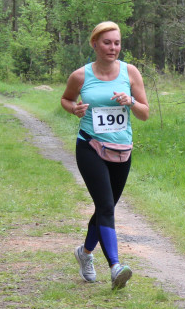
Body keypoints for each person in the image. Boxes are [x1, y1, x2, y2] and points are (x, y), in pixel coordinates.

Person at [60, 22, 150, 290]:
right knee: (107, 206)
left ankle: (85, 254)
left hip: (122, 150)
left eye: (117, 43)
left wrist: (131, 101)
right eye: (107, 42)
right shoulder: (81, 75)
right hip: (90, 146)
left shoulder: (130, 72)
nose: (113, 48)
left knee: (105, 207)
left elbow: (145, 112)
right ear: (94, 44)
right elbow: (66, 99)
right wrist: (74, 109)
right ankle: (115, 267)